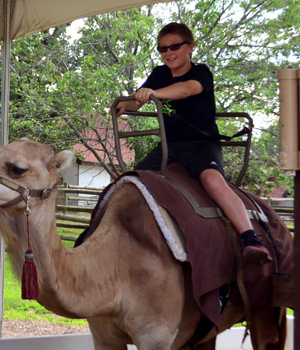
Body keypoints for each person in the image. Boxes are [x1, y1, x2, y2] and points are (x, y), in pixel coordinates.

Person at [115, 21, 271, 264]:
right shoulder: (159, 74)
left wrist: (155, 93)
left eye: (174, 46)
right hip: (169, 146)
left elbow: (186, 90)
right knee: (127, 182)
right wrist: (128, 104)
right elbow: (140, 99)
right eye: (162, 49)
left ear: (190, 47)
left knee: (213, 182)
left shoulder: (201, 73)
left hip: (201, 145)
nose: (168, 53)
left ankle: (250, 238)